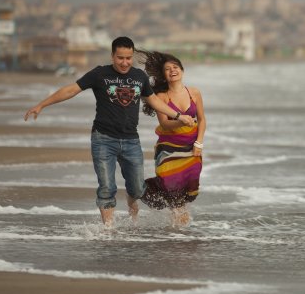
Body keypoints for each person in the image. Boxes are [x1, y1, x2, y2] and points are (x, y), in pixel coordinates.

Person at [24, 37, 195, 226]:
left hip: (131, 140)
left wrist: (178, 116)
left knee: (138, 188)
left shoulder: (139, 76)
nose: (124, 62)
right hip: (103, 139)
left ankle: (132, 203)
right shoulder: (100, 74)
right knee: (106, 187)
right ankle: (109, 229)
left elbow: (154, 101)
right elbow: (71, 90)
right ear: (112, 55)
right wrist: (41, 105)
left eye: (128, 58)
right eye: (120, 58)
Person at [137, 50, 206, 226]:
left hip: (191, 148)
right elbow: (165, 124)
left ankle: (178, 226)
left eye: (175, 67)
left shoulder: (194, 92)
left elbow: (202, 119)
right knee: (170, 184)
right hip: (168, 149)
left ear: (182, 70)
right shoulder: (162, 96)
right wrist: (181, 120)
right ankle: (179, 228)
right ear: (164, 75)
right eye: (167, 69)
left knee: (187, 187)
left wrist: (199, 142)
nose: (172, 70)